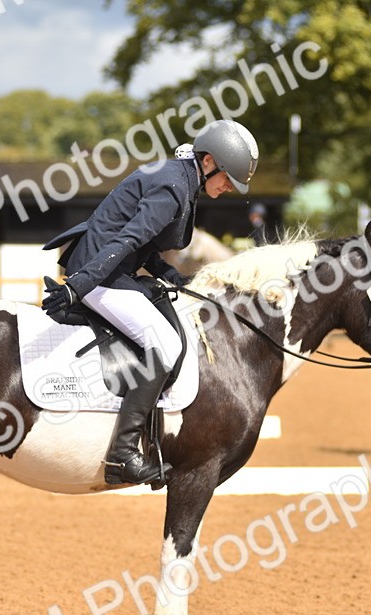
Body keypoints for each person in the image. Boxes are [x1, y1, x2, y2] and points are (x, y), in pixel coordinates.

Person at [42, 119, 259, 487]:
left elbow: (144, 248)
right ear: (208, 161)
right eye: (227, 179)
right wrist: (79, 286)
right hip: (99, 272)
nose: (228, 188)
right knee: (166, 343)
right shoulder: (173, 186)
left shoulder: (181, 179)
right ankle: (122, 454)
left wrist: (177, 279)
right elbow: (127, 240)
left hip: (113, 269)